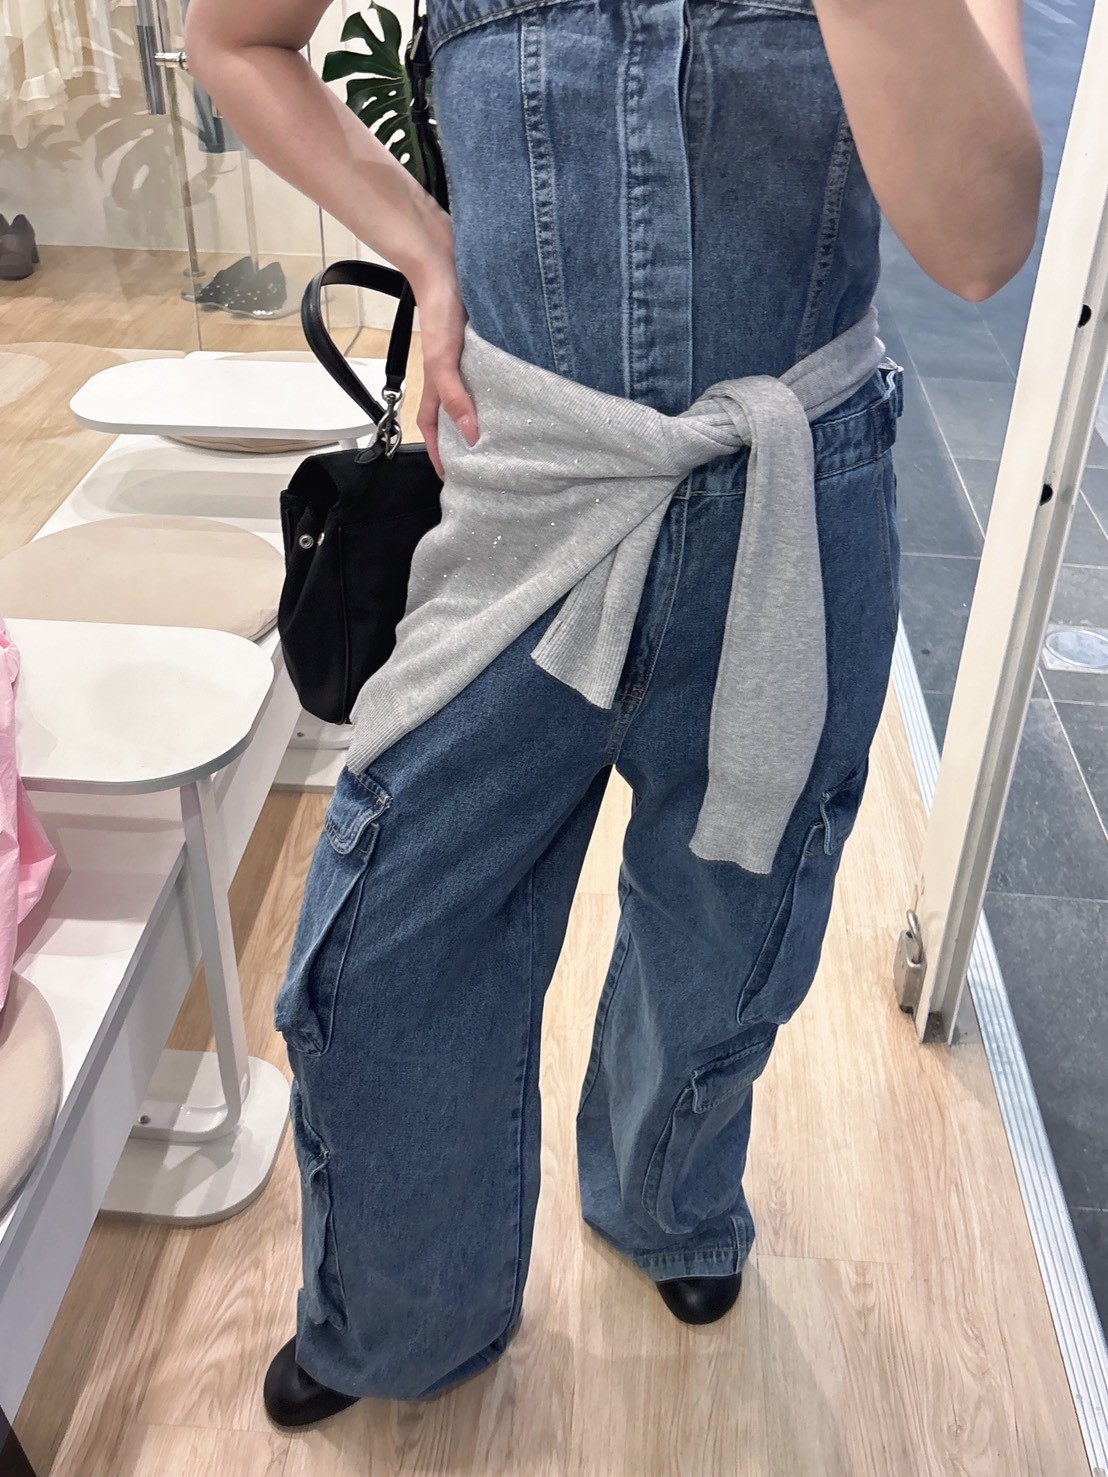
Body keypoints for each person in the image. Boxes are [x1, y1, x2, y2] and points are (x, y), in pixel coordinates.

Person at [185, 0, 1042, 1431]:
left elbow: (980, 239)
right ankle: (404, 1303)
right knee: (388, 948)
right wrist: (424, 243)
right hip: (527, 486)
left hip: (791, 500)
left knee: (728, 934)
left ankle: (666, 1198)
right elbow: (234, 38)